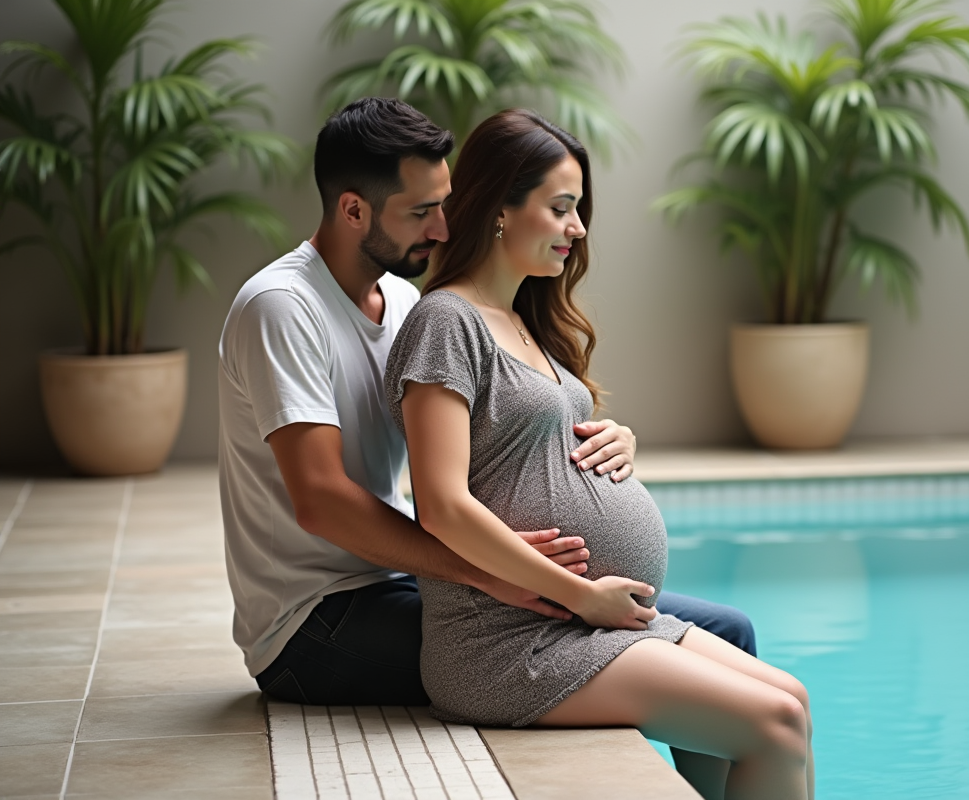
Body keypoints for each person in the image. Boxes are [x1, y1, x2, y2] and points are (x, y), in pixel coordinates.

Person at [216, 97, 755, 712]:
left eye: (442, 206)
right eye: (421, 212)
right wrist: (487, 573)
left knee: (724, 630)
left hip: (410, 579)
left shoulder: (400, 301)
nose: (444, 228)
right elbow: (321, 501)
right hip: (318, 621)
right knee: (598, 645)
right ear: (353, 209)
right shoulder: (282, 306)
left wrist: (605, 442)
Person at [387, 109, 814, 800]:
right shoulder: (447, 322)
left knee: (791, 697)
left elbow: (523, 441)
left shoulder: (527, 322)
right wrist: (583, 596)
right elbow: (441, 505)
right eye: (561, 208)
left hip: (578, 620)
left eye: (578, 210)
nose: (577, 229)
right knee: (776, 721)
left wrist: (612, 436)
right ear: (500, 209)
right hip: (509, 640)